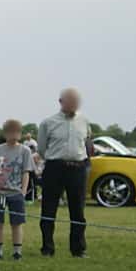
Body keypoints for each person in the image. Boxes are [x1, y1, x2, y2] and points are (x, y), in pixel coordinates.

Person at [36, 88, 90, 257]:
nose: (74, 105)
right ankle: (47, 248)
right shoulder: (48, 123)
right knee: (49, 210)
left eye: (76, 102)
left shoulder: (84, 121)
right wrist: (55, 159)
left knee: (78, 211)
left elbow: (86, 142)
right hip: (55, 168)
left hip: (78, 168)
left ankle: (78, 248)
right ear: (61, 102)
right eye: (70, 101)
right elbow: (42, 148)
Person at [0, 119, 33, 259]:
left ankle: (17, 251)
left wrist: (23, 191)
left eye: (17, 132)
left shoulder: (25, 151)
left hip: (15, 192)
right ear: (5, 133)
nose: (14, 135)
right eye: (11, 132)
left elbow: (26, 172)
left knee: (16, 223)